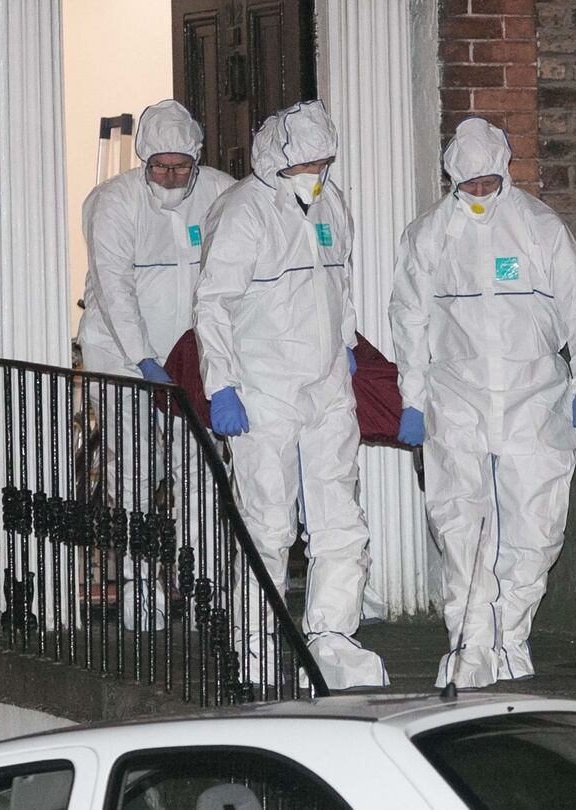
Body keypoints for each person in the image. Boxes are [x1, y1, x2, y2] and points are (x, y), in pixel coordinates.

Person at [389, 117, 576, 690]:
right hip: (457, 400)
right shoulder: (428, 235)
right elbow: (409, 322)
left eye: (490, 184)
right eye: (470, 187)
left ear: (505, 173)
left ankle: (510, 639)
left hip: (533, 398)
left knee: (535, 528)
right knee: (459, 524)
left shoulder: (539, 227)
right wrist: (413, 400)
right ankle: (469, 646)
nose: (481, 196)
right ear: (451, 181)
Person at [193, 100, 388, 690]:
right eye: (305, 164)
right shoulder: (244, 212)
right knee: (267, 523)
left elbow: (341, 277)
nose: (316, 174)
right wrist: (221, 385)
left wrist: (348, 340)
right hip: (264, 387)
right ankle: (254, 646)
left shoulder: (330, 201)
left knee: (340, 520)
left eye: (324, 162)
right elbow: (214, 304)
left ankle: (331, 636)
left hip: (326, 381)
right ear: (276, 160)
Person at [77, 99, 235, 631]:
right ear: (144, 161)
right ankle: (139, 587)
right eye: (159, 167)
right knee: (134, 474)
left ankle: (199, 588)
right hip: (123, 357)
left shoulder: (221, 192)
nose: (170, 177)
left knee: (200, 475)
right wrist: (144, 359)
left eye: (180, 167)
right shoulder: (114, 202)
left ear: (196, 159)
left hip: (194, 359)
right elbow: (114, 287)